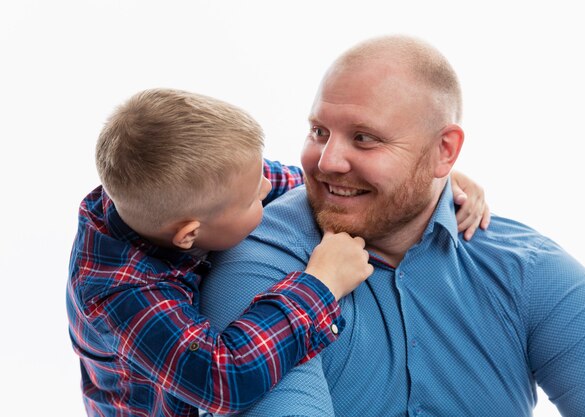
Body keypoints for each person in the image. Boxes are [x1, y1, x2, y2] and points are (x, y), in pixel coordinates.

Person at [199, 36, 585, 417]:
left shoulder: (528, 269)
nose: (327, 162)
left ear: (445, 151)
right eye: (319, 131)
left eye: (365, 138)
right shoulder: (258, 263)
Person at [66, 88, 487, 417]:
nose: (270, 188)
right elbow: (225, 377)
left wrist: (422, 182)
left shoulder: (175, 196)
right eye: (253, 197)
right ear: (189, 234)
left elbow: (296, 184)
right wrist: (320, 286)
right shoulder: (120, 297)